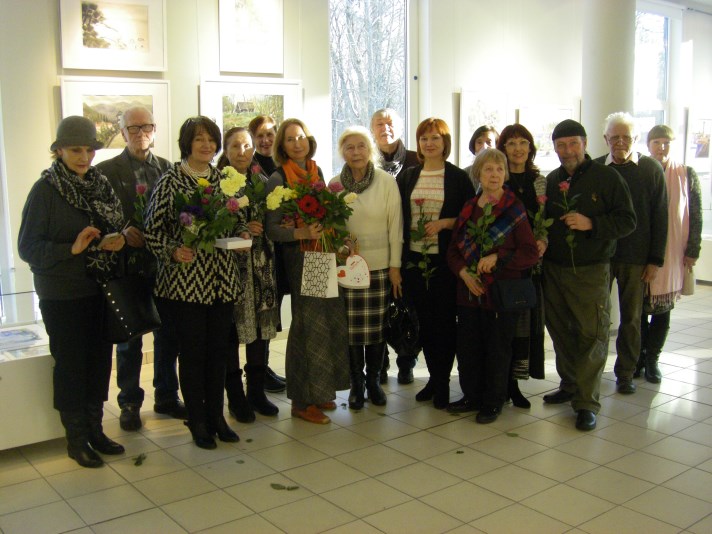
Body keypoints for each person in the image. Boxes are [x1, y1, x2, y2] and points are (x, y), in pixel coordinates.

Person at [18, 116, 127, 467]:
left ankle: (96, 430)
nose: (84, 157)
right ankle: (76, 439)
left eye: (89, 150)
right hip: (62, 293)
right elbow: (28, 248)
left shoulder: (99, 184)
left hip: (99, 288)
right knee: (72, 365)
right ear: (59, 151)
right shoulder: (45, 190)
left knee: (98, 361)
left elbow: (113, 225)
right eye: (75, 150)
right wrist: (72, 248)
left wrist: (115, 241)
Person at [144, 116, 242, 449]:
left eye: (211, 140)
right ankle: (197, 420)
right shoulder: (170, 180)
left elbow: (237, 220)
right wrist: (173, 250)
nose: (206, 145)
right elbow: (152, 232)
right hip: (185, 284)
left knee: (219, 353)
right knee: (193, 354)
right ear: (187, 143)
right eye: (199, 139)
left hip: (222, 282)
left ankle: (217, 417)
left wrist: (244, 232)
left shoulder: (223, 179)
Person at [542, 119, 636, 431]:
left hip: (591, 270)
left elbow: (627, 220)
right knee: (560, 330)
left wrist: (591, 224)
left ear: (585, 144)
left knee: (591, 334)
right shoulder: (552, 180)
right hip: (554, 270)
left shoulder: (606, 177)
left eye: (573, 143)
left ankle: (586, 403)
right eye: (561, 145)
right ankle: (570, 384)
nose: (567, 150)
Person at [97, 105, 184, 432]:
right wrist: (121, 231)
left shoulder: (168, 169)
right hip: (126, 266)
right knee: (129, 339)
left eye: (145, 126)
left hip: (163, 266)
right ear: (122, 133)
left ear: (154, 130)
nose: (140, 133)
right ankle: (130, 402)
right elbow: (99, 215)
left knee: (168, 334)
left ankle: (166, 395)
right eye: (132, 128)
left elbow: (178, 213)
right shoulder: (106, 171)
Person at [265, 118, 350, 424]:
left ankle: (320, 390)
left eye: (301, 137)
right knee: (306, 327)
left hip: (322, 255)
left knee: (326, 322)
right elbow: (272, 229)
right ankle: (302, 401)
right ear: (282, 146)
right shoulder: (278, 179)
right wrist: (300, 233)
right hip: (300, 260)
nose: (297, 143)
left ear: (309, 140)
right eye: (290, 139)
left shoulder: (317, 172)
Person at [447, 148, 539, 423]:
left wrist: (499, 257)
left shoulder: (514, 208)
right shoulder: (468, 207)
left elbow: (530, 253)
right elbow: (453, 251)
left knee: (498, 349)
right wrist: (463, 273)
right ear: (478, 174)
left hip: (500, 293)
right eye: (488, 169)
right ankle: (471, 396)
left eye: (500, 169)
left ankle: (493, 401)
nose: (494, 174)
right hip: (469, 292)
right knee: (468, 348)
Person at [398, 117, 475, 409]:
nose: (429, 143)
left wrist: (444, 223)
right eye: (424, 138)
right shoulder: (408, 176)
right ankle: (433, 378)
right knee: (425, 324)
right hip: (414, 262)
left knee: (444, 324)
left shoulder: (458, 178)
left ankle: (442, 382)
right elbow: (398, 219)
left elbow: (470, 219)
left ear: (445, 143)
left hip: (445, 263)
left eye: (435, 138)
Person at [594, 112, 668, 395]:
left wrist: (655, 259)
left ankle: (625, 372)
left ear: (636, 138)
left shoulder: (650, 170)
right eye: (615, 137)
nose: (620, 142)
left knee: (632, 319)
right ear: (606, 139)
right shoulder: (596, 168)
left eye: (626, 137)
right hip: (601, 256)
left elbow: (660, 216)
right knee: (597, 318)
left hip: (636, 258)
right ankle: (593, 372)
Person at [330, 126, 403, 409]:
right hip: (347, 269)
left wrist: (395, 266)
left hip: (379, 269)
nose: (356, 152)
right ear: (342, 152)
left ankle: (373, 381)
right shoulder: (335, 185)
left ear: (370, 149)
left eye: (361, 146)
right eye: (349, 147)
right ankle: (356, 384)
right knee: (350, 331)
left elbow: (396, 227)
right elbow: (331, 228)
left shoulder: (385, 182)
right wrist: (341, 247)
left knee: (375, 330)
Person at [217, 127, 280, 422]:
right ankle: (235, 397)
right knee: (231, 333)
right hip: (231, 271)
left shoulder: (262, 181)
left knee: (260, 333)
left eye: (246, 145)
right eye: (235, 146)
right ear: (225, 150)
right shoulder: (216, 183)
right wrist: (239, 229)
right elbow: (211, 225)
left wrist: (266, 226)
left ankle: (256, 392)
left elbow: (275, 220)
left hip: (262, 268)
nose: (242, 151)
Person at [489, 123, 548, 411]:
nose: (518, 148)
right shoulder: (498, 179)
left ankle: (514, 383)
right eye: (511, 143)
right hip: (503, 266)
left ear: (530, 147)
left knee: (524, 326)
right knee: (504, 329)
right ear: (503, 148)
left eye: (523, 142)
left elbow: (546, 219)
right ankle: (502, 385)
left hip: (531, 266)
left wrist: (543, 240)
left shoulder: (540, 182)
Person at [637, 124, 702, 383]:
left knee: (663, 311)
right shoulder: (640, 171)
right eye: (657, 142)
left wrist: (693, 249)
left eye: (666, 143)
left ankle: (653, 359)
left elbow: (695, 214)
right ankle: (638, 357)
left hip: (672, 255)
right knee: (638, 311)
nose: (662, 148)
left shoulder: (686, 173)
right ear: (648, 145)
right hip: (641, 253)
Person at [370, 108, 419, 385]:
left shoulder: (415, 160)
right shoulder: (366, 161)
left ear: (400, 128)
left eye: (390, 123)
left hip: (408, 244)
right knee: (379, 307)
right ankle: (380, 364)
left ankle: (406, 361)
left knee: (406, 305)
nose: (385, 128)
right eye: (379, 124)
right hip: (375, 245)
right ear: (372, 129)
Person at [246, 115, 287, 393]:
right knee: (261, 315)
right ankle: (257, 372)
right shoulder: (250, 168)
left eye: (270, 134)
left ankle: (264, 368)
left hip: (283, 253)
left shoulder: (283, 165)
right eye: (259, 135)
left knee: (272, 315)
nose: (265, 140)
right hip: (259, 256)